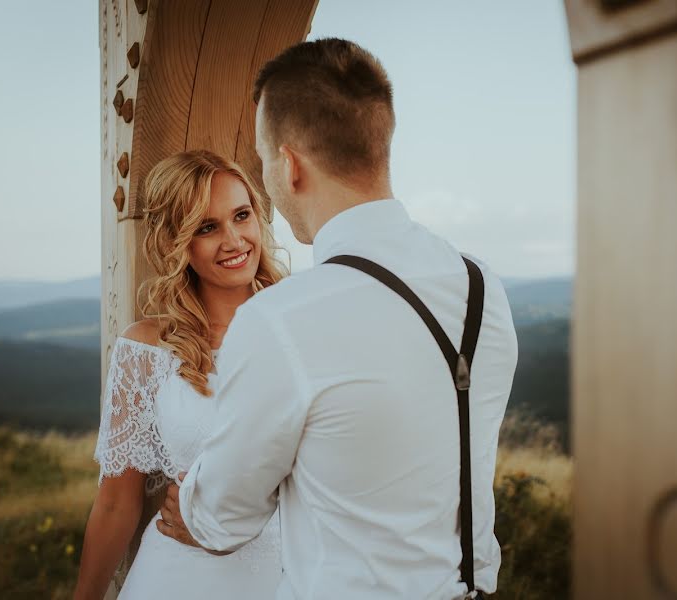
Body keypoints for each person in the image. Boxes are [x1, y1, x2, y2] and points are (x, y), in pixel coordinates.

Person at [157, 38, 518, 599]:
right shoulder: (481, 287)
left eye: (262, 157)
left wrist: (196, 504)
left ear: (289, 165)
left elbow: (222, 518)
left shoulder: (281, 320)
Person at [73, 150, 289, 599]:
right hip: (175, 578)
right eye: (207, 227)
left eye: (241, 215)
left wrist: (217, 526)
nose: (233, 240)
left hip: (286, 576)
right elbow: (116, 503)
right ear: (178, 242)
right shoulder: (146, 348)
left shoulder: (301, 326)